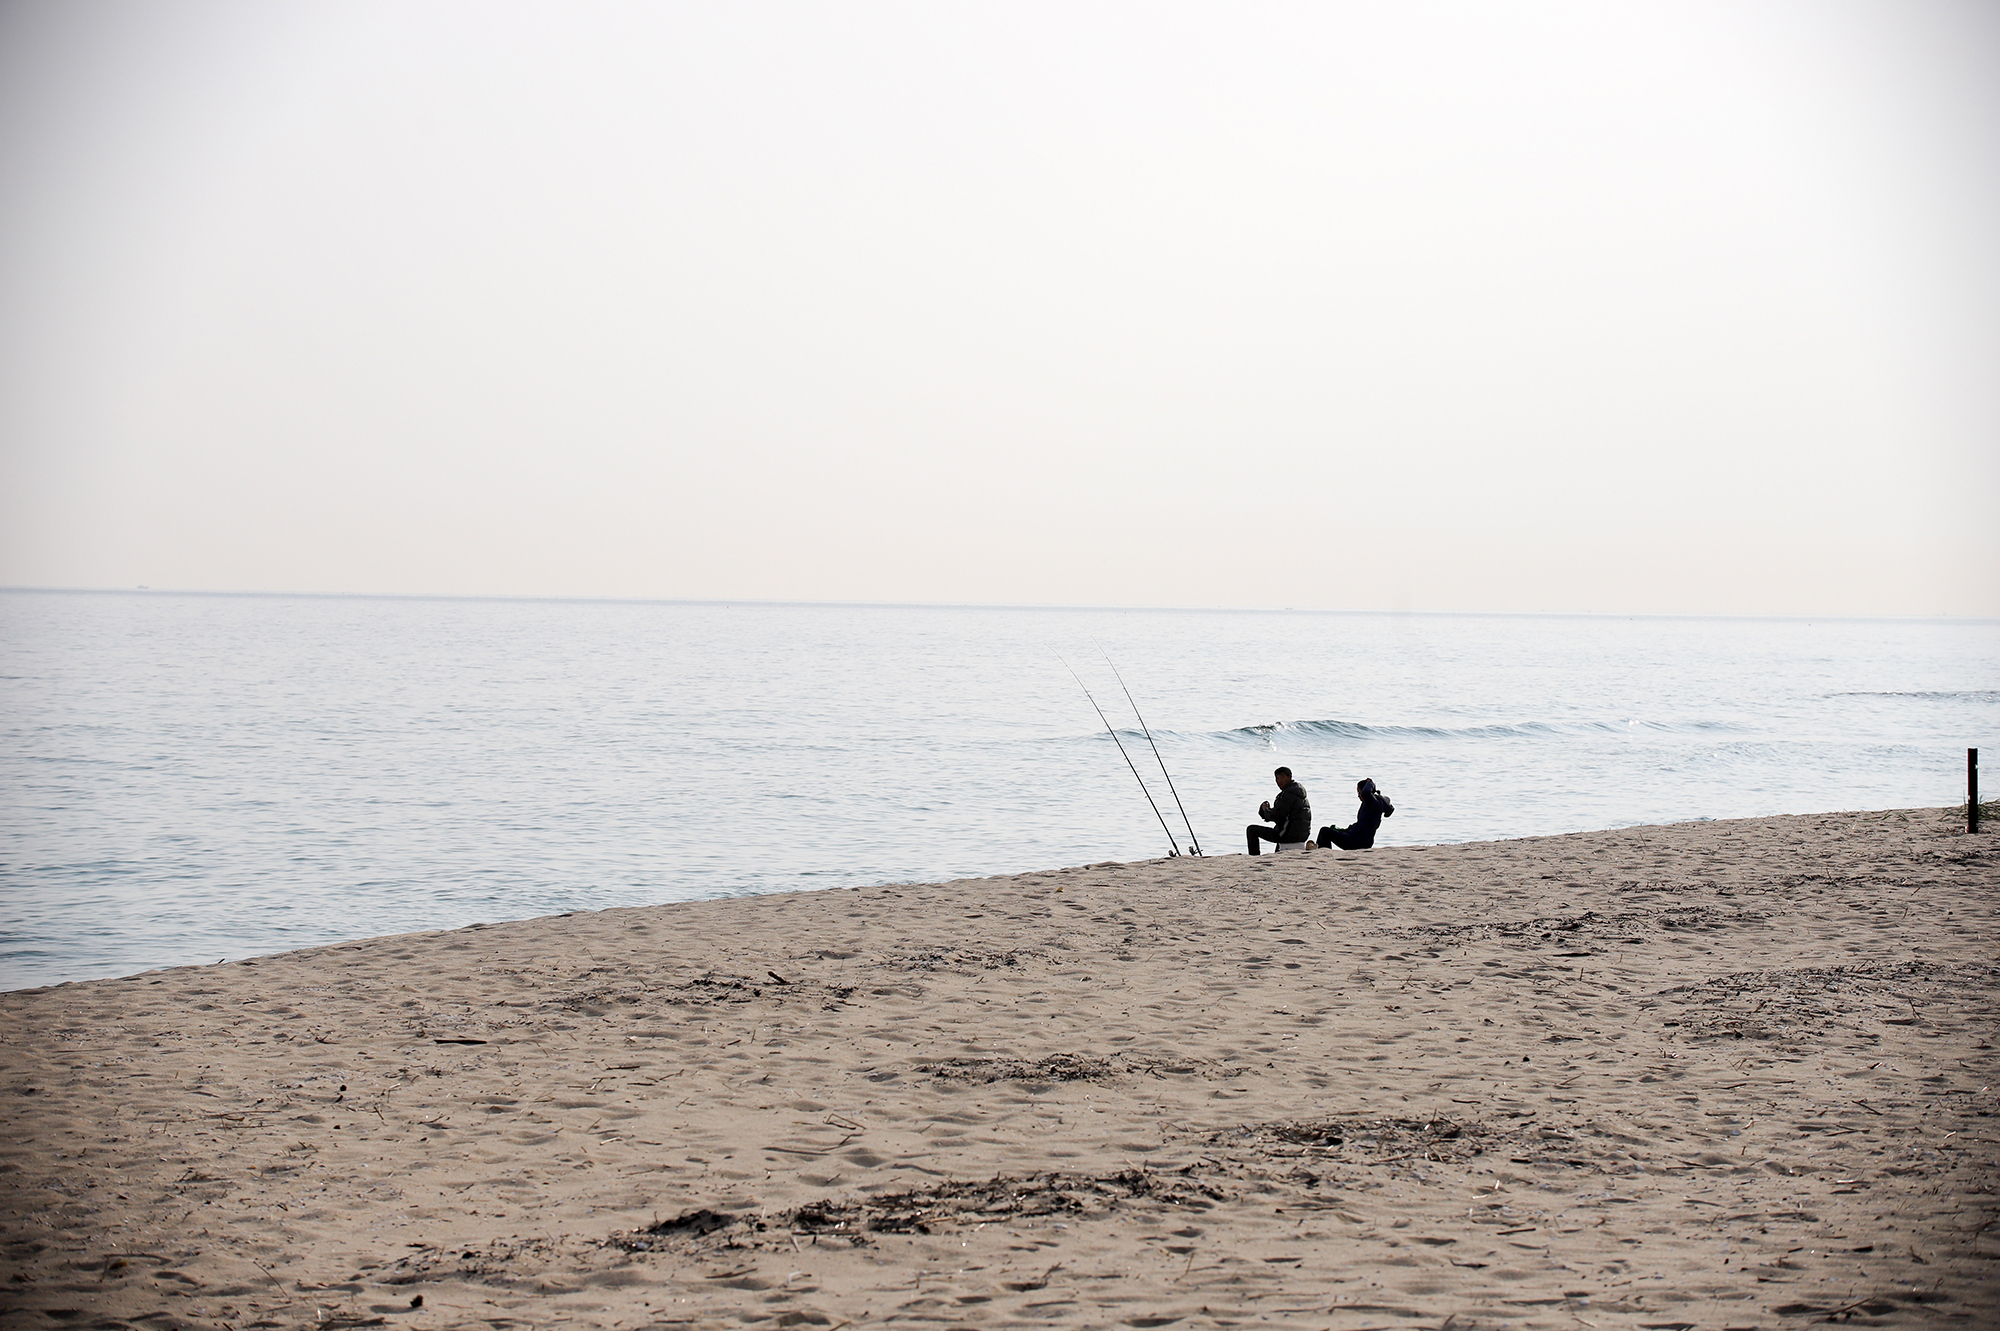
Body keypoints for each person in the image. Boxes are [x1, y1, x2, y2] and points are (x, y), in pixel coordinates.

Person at [1246, 767, 1312, 854]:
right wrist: (1266, 811)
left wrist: (1265, 809)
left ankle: (1254, 857)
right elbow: (1282, 814)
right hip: (1301, 835)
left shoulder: (1288, 794)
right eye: (1277, 778)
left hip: (1289, 835)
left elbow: (1276, 816)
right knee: (1282, 829)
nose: (1279, 781)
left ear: (1289, 777)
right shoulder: (1297, 792)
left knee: (1251, 830)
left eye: (1282, 777)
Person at [1315, 778, 1395, 850]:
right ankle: (1321, 851)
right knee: (1328, 831)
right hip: (1356, 838)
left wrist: (1370, 782)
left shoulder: (1374, 804)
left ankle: (1323, 854)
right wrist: (1343, 830)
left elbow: (1366, 793)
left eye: (1359, 792)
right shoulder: (1369, 804)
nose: (1358, 795)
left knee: (1324, 832)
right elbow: (1361, 825)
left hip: (1359, 843)